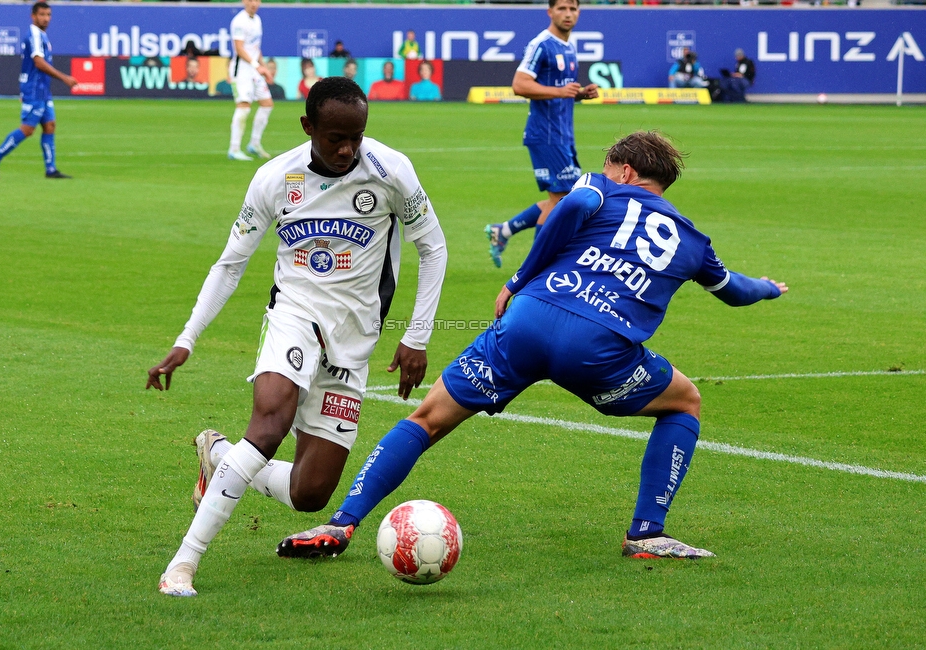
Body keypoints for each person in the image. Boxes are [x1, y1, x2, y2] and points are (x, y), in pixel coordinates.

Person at [278, 131, 789, 563]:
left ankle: (342, 525)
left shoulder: (598, 187)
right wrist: (768, 286)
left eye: (608, 169)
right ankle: (647, 533)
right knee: (685, 401)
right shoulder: (692, 241)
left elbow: (579, 203)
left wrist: (519, 280)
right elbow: (737, 293)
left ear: (627, 172)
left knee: (426, 420)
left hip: (528, 323)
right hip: (601, 352)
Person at [152, 77, 448, 597]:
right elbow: (230, 264)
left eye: (355, 136)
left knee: (311, 493)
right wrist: (187, 337)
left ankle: (219, 456)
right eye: (334, 137)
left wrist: (418, 337)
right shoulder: (274, 178)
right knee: (268, 424)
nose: (346, 149)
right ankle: (182, 564)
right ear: (308, 126)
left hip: (354, 340)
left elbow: (434, 248)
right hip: (293, 314)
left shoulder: (390, 171)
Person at [485, 0, 598, 268]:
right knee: (563, 200)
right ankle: (536, 268)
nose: (568, 14)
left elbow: (558, 90)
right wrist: (561, 92)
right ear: (550, 12)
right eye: (562, 8)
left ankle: (504, 231)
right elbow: (519, 84)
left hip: (563, 135)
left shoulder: (569, 46)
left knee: (559, 198)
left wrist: (579, 95)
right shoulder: (542, 44)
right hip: (546, 134)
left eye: (573, 8)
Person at [0, 2, 77, 180]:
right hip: (34, 89)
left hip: (42, 89)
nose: (46, 18)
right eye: (42, 14)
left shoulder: (42, 35)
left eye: (48, 15)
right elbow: (38, 62)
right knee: (27, 129)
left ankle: (51, 169)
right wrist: (64, 78)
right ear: (33, 16)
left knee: (50, 125)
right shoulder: (34, 34)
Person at [227, 0, 275, 161]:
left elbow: (255, 47)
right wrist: (256, 65)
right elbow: (239, 48)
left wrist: (263, 67)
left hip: (254, 71)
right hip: (242, 71)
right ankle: (234, 149)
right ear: (244, 1)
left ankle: (254, 144)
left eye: (257, 0)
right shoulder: (239, 21)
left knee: (267, 104)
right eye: (250, 0)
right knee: (244, 107)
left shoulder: (257, 20)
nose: (254, 3)